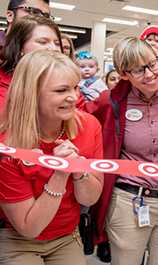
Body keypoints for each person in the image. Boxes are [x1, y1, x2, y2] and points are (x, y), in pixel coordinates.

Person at [85, 36, 158, 265]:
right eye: (138, 70)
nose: (149, 74)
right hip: (129, 201)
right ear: (123, 74)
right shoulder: (112, 101)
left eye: (153, 64)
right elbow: (80, 123)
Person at [0, 50, 103, 264]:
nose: (74, 97)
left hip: (66, 236)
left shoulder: (89, 125)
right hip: (18, 239)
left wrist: (79, 171)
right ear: (31, 93)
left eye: (75, 87)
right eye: (61, 90)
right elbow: (29, 227)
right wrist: (60, 173)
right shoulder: (6, 144)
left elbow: (90, 199)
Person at [0, 15, 63, 109]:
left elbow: (80, 110)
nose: (54, 48)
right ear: (20, 47)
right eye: (42, 42)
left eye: (57, 43)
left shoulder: (64, 78)